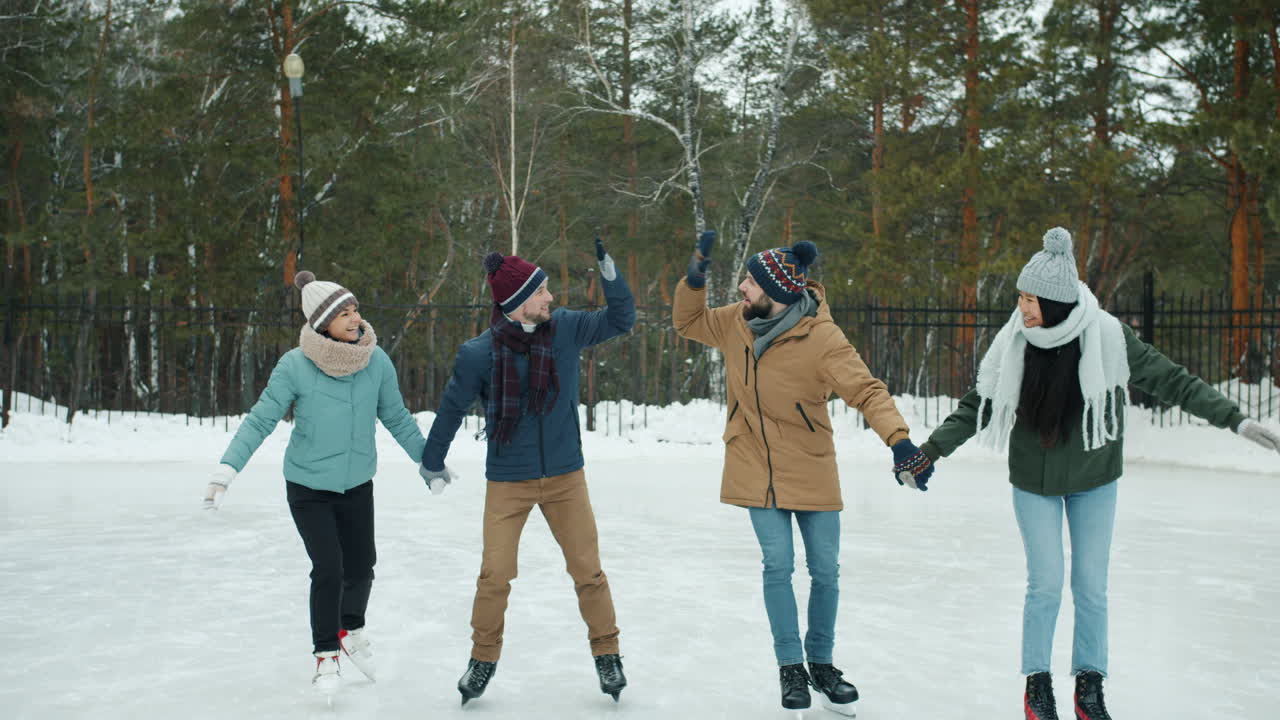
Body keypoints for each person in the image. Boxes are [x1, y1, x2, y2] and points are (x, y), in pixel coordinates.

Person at [919, 227, 1280, 720]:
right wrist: (930, 452)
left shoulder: (1108, 336)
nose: (1022, 308)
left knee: (1090, 586)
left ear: (1057, 303)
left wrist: (1235, 420)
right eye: (1020, 297)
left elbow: (1174, 381)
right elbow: (978, 404)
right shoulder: (1015, 342)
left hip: (1094, 479)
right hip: (1034, 483)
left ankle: (1089, 685)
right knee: (1045, 584)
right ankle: (1037, 684)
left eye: (1031, 300)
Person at [670, 231, 935, 714]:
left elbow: (867, 391)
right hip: (753, 463)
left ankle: (823, 664)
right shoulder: (734, 321)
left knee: (825, 570)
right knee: (777, 564)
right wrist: (694, 278)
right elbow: (688, 321)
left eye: (751, 282)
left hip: (811, 466)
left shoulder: (822, 338)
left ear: (776, 291)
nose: (742, 288)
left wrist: (900, 442)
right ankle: (791, 667)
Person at [202, 271, 439, 699]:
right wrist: (226, 469)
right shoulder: (295, 365)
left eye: (355, 310)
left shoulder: (376, 361)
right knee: (329, 568)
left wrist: (428, 462)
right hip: (309, 487)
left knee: (362, 566)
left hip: (357, 484)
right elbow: (260, 419)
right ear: (322, 323)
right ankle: (326, 653)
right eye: (343, 314)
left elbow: (397, 417)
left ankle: (350, 630)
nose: (355, 318)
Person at [420, 238, 635, 706]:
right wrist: (432, 460)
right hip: (508, 481)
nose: (550, 298)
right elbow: (452, 408)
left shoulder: (566, 329)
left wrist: (610, 274)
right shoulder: (479, 354)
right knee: (494, 576)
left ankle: (608, 653)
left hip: (565, 477)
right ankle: (482, 658)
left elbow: (621, 320)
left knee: (588, 571)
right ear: (517, 302)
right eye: (540, 292)